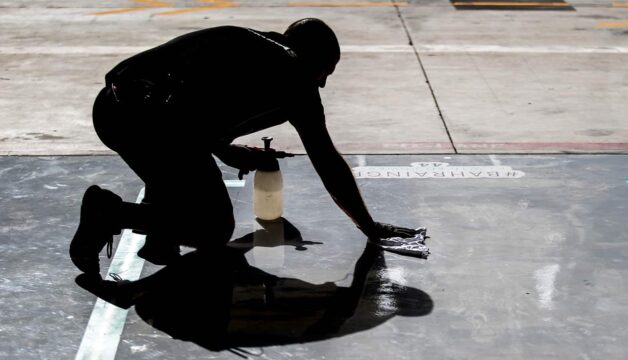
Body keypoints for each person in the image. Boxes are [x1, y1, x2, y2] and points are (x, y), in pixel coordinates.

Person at [70, 18, 418, 279]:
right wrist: (368, 226)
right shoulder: (296, 80)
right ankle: (112, 213)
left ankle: (159, 223)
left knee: (174, 194)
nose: (323, 82)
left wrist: (225, 150)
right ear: (311, 59)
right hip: (149, 126)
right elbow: (326, 159)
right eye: (325, 72)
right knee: (213, 230)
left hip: (116, 113)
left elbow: (192, 107)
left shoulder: (239, 39)